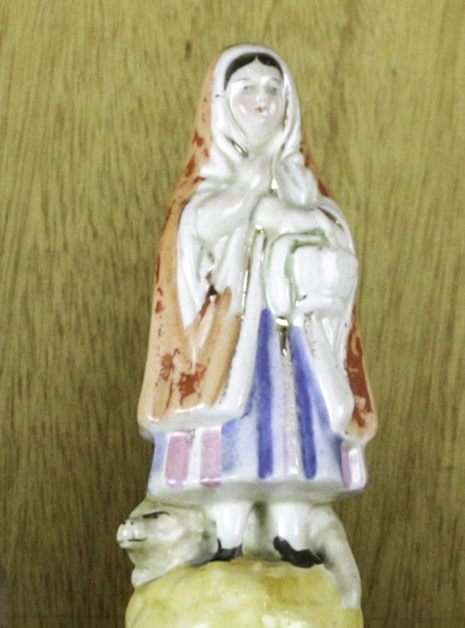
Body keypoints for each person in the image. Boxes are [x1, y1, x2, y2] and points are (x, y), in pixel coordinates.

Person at [140, 48, 373, 565]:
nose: (262, 100)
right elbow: (192, 236)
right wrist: (249, 204)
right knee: (235, 432)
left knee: (297, 428)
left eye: (273, 90)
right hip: (232, 337)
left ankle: (290, 530)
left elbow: (331, 227)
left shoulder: (302, 182)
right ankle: (227, 534)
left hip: (297, 334)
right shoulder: (210, 184)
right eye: (248, 89)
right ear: (222, 103)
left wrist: (300, 220)